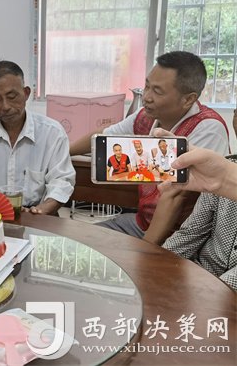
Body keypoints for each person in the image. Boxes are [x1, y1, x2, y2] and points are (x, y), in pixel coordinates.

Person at [70, 51, 229, 244]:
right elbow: (103, 136)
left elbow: (175, 195)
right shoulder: (145, 116)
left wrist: (145, 251)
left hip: (183, 235)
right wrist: (64, 152)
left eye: (157, 92)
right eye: (147, 86)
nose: (146, 97)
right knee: (80, 241)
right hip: (143, 223)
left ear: (188, 99)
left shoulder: (208, 128)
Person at [0, 60, 75, 215]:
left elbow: (61, 181)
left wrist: (41, 210)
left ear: (26, 93)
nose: (5, 106)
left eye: (12, 96)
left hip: (39, 215)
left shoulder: (52, 133)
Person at [161, 109, 237, 291]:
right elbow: (190, 234)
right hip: (200, 274)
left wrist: (209, 293)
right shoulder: (224, 168)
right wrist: (157, 266)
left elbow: (227, 288)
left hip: (217, 292)